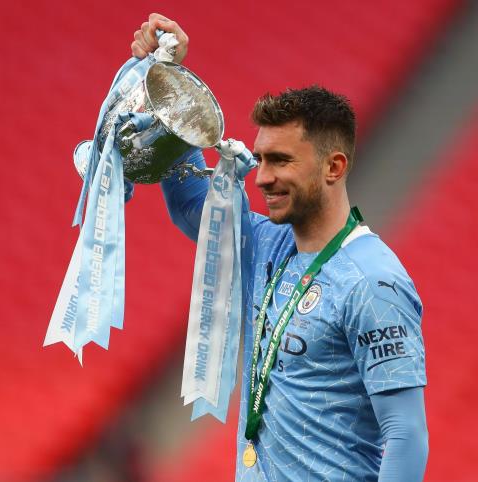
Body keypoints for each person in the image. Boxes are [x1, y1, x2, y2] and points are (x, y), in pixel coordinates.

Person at [131, 13, 429, 482]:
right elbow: (191, 204)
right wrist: (166, 81)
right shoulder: (266, 245)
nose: (262, 177)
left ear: (333, 167)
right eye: (260, 158)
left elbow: (406, 436)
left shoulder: (373, 283)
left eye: (280, 160)